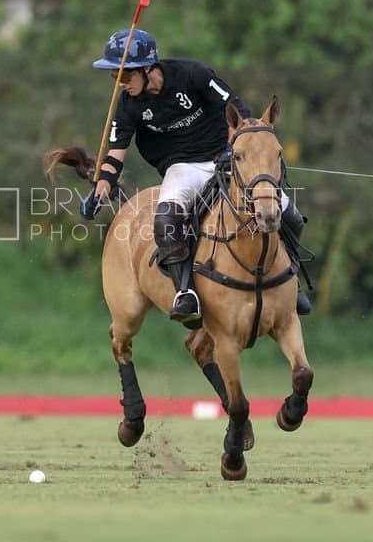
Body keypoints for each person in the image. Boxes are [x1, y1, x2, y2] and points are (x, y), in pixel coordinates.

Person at [89, 28, 312, 328]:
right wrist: (99, 190)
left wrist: (243, 145)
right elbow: (115, 155)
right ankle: (186, 292)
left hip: (225, 157)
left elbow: (235, 107)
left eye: (124, 76)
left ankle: (291, 281)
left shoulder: (191, 74)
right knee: (165, 220)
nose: (120, 83)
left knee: (291, 216)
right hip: (182, 167)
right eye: (115, 77)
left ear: (147, 68)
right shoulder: (129, 106)